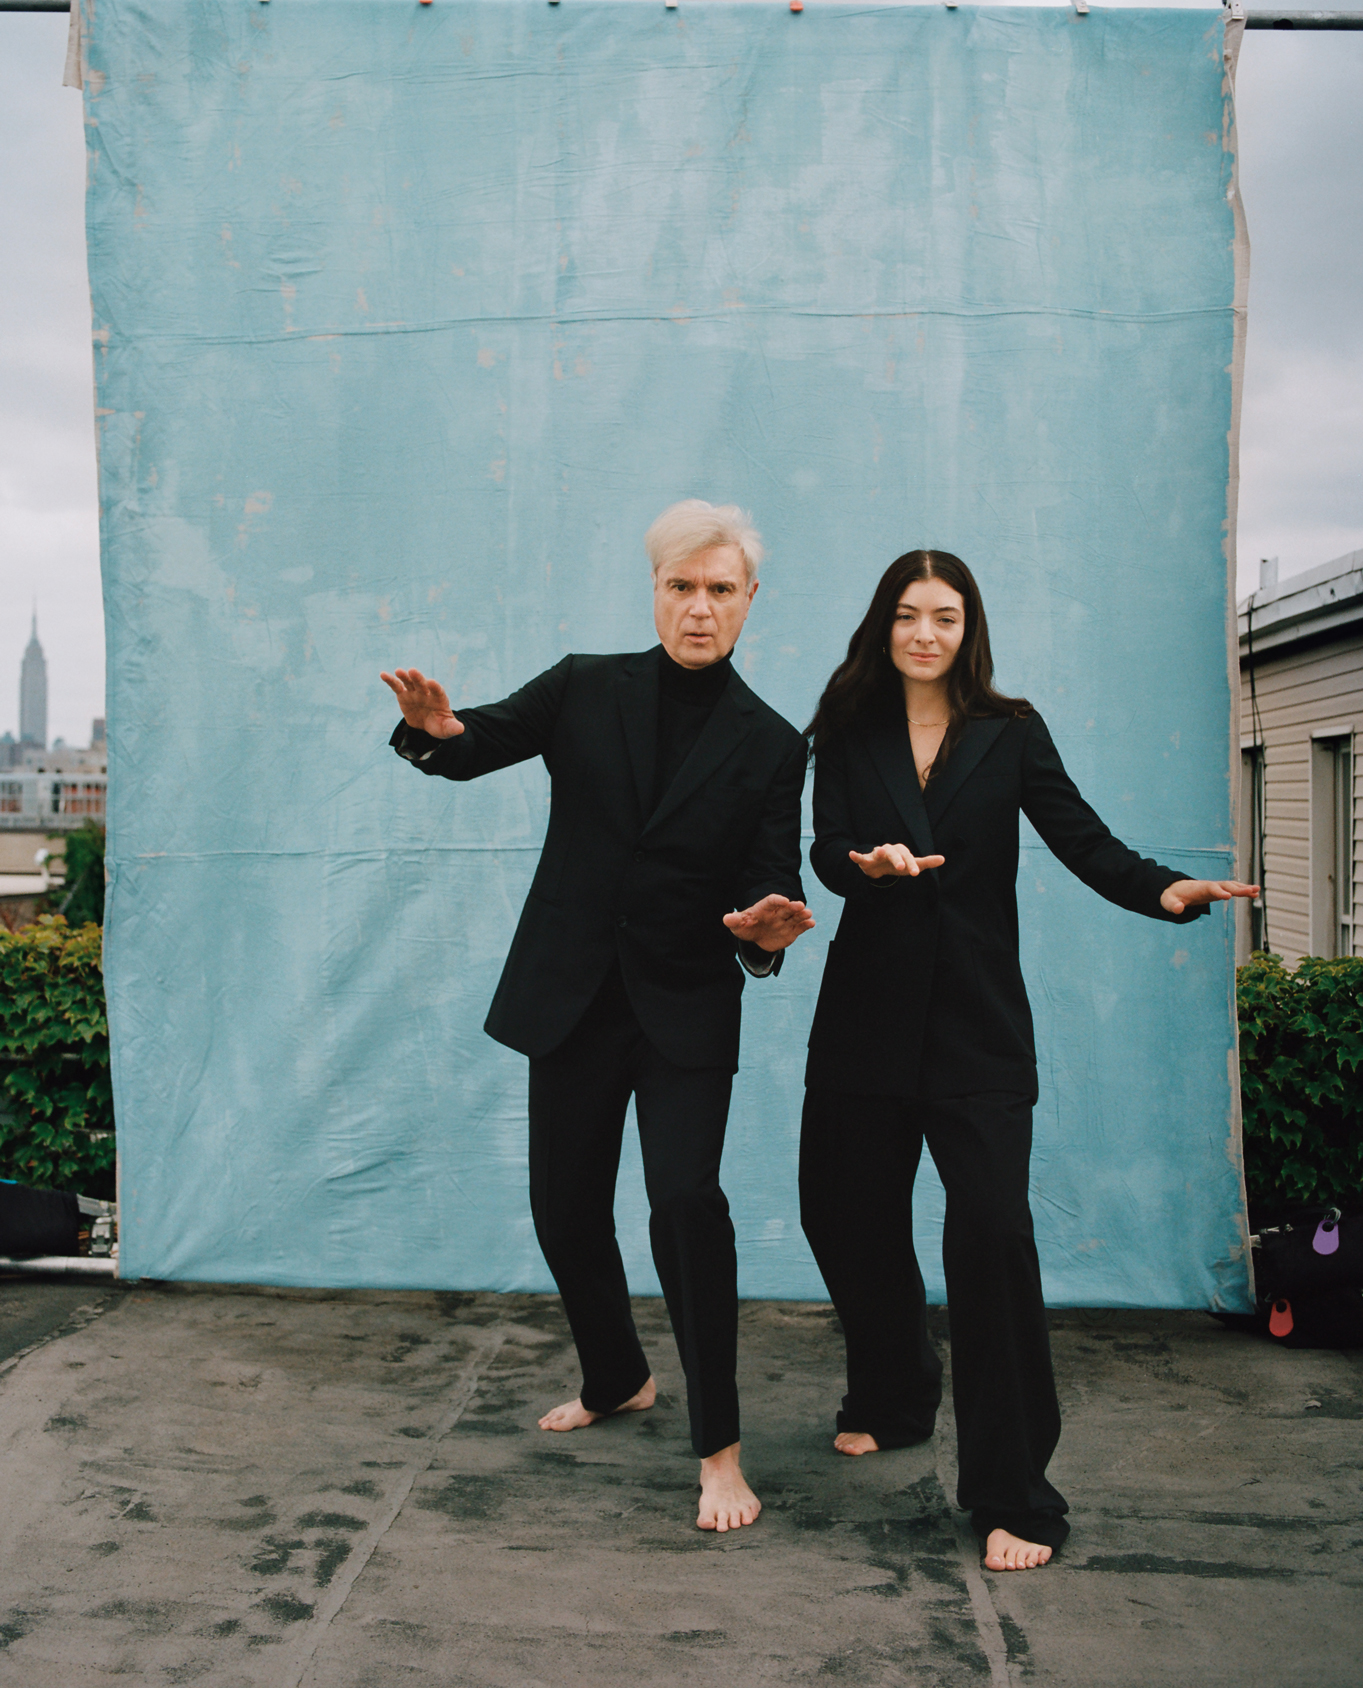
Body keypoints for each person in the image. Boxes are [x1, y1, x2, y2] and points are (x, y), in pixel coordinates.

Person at [798, 549, 1256, 1572]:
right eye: (908, 614)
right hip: (866, 1019)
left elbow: (1082, 839)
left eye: (945, 616)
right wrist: (863, 866)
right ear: (883, 625)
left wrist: (1165, 890)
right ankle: (894, 1394)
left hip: (977, 1027)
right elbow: (825, 849)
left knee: (992, 1237)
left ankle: (1015, 1494)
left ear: (970, 629)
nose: (925, 633)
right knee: (845, 1213)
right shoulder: (848, 727)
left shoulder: (1010, 732)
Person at [381, 500, 813, 1532]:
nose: (699, 608)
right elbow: (476, 739)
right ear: (655, 592)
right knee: (564, 1209)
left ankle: (720, 1451)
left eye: (719, 590)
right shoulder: (582, 684)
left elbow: (769, 882)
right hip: (572, 996)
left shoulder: (770, 743)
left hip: (684, 1009)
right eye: (681, 587)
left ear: (750, 600)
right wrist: (435, 731)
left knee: (685, 1206)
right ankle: (617, 1377)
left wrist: (765, 931)